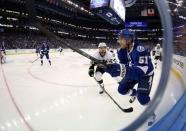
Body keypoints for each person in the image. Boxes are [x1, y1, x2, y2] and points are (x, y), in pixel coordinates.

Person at [105, 29, 154, 105]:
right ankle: (135, 94)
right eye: (119, 39)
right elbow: (124, 65)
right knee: (122, 90)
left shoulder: (140, 50)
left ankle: (151, 114)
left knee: (142, 98)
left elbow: (141, 72)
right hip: (133, 71)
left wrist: (120, 70)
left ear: (129, 39)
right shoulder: (121, 51)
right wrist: (111, 67)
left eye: (121, 39)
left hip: (145, 75)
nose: (119, 41)